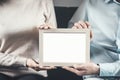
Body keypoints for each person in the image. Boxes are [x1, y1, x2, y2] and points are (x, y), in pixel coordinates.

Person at [63, 0, 120, 80]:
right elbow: (69, 40)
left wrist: (99, 69)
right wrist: (80, 39)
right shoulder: (90, 3)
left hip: (96, 70)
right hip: (95, 76)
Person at [0, 0, 57, 80]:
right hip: (2, 70)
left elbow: (54, 46)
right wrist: (26, 62)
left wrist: (50, 34)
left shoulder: (44, 2)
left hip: (33, 72)